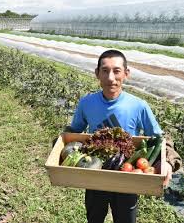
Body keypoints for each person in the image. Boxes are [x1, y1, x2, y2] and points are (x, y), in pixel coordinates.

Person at [63, 49, 182, 223]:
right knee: (94, 218)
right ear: (97, 74)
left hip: (127, 176)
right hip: (96, 175)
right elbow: (73, 132)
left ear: (126, 74)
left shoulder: (138, 105)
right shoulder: (86, 103)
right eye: (105, 71)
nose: (111, 78)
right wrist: (60, 145)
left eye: (117, 71)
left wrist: (169, 162)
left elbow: (160, 138)